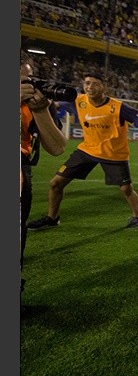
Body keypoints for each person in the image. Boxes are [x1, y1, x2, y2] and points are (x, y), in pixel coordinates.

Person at [27, 73, 138, 230]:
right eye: (87, 83)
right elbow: (54, 105)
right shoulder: (78, 101)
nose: (90, 87)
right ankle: (52, 218)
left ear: (104, 87)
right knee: (55, 183)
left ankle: (137, 217)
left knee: (126, 189)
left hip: (113, 154)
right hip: (87, 150)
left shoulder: (117, 107)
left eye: (95, 84)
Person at [20, 51, 67, 294]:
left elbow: (57, 147)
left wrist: (40, 111)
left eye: (28, 80)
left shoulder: (35, 103)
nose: (27, 86)